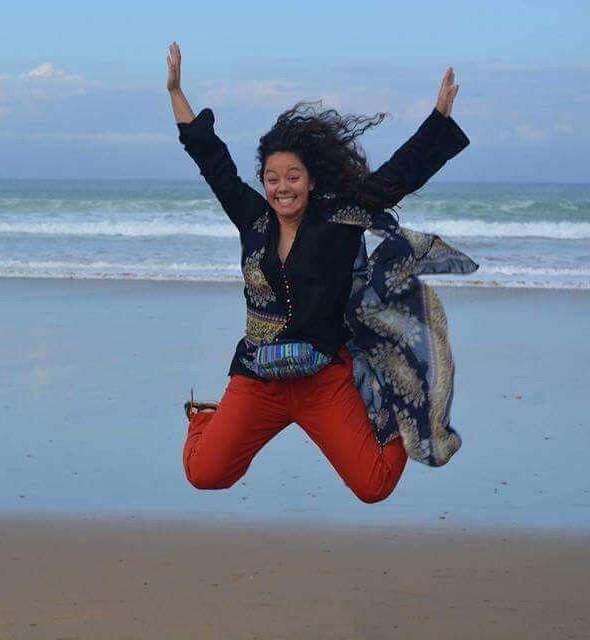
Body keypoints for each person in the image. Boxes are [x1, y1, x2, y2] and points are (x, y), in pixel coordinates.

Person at [166, 41, 472, 503]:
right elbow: (213, 162)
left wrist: (439, 121)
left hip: (322, 378)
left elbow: (395, 178)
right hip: (258, 377)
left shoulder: (339, 219)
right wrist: (176, 92)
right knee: (204, 474)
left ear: (310, 180)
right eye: (273, 177)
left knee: (374, 486)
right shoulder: (252, 217)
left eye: (293, 176)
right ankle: (206, 417)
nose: (282, 187)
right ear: (264, 182)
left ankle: (395, 415)